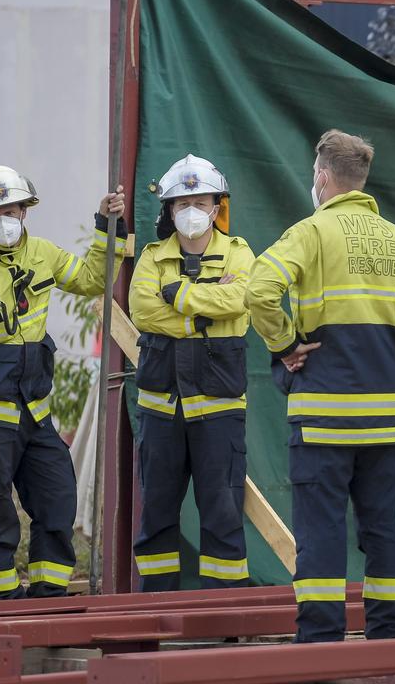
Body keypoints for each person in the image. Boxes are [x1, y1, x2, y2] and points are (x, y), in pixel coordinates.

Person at [246, 129, 395, 643]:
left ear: (322, 177)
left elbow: (261, 291)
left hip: (321, 421)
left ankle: (320, 640)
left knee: (322, 530)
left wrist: (287, 345)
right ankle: (388, 636)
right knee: (382, 529)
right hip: (382, 421)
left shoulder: (311, 232)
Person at [0, 162, 125, 599]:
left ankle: (48, 600)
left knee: (58, 498)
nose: (5, 219)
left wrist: (105, 225)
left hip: (35, 413)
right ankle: (4, 603)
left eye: (13, 209)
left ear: (26, 209)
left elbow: (93, 279)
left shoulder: (43, 252)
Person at [129, 154, 255, 591]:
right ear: (167, 211)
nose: (191, 212)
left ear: (217, 206)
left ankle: (224, 616)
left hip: (219, 408)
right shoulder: (151, 258)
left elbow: (239, 301)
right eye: (181, 203)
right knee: (158, 513)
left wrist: (177, 295)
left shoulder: (239, 253)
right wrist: (200, 316)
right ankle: (155, 611)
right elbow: (143, 311)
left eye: (200, 202)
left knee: (222, 512)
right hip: (161, 408)